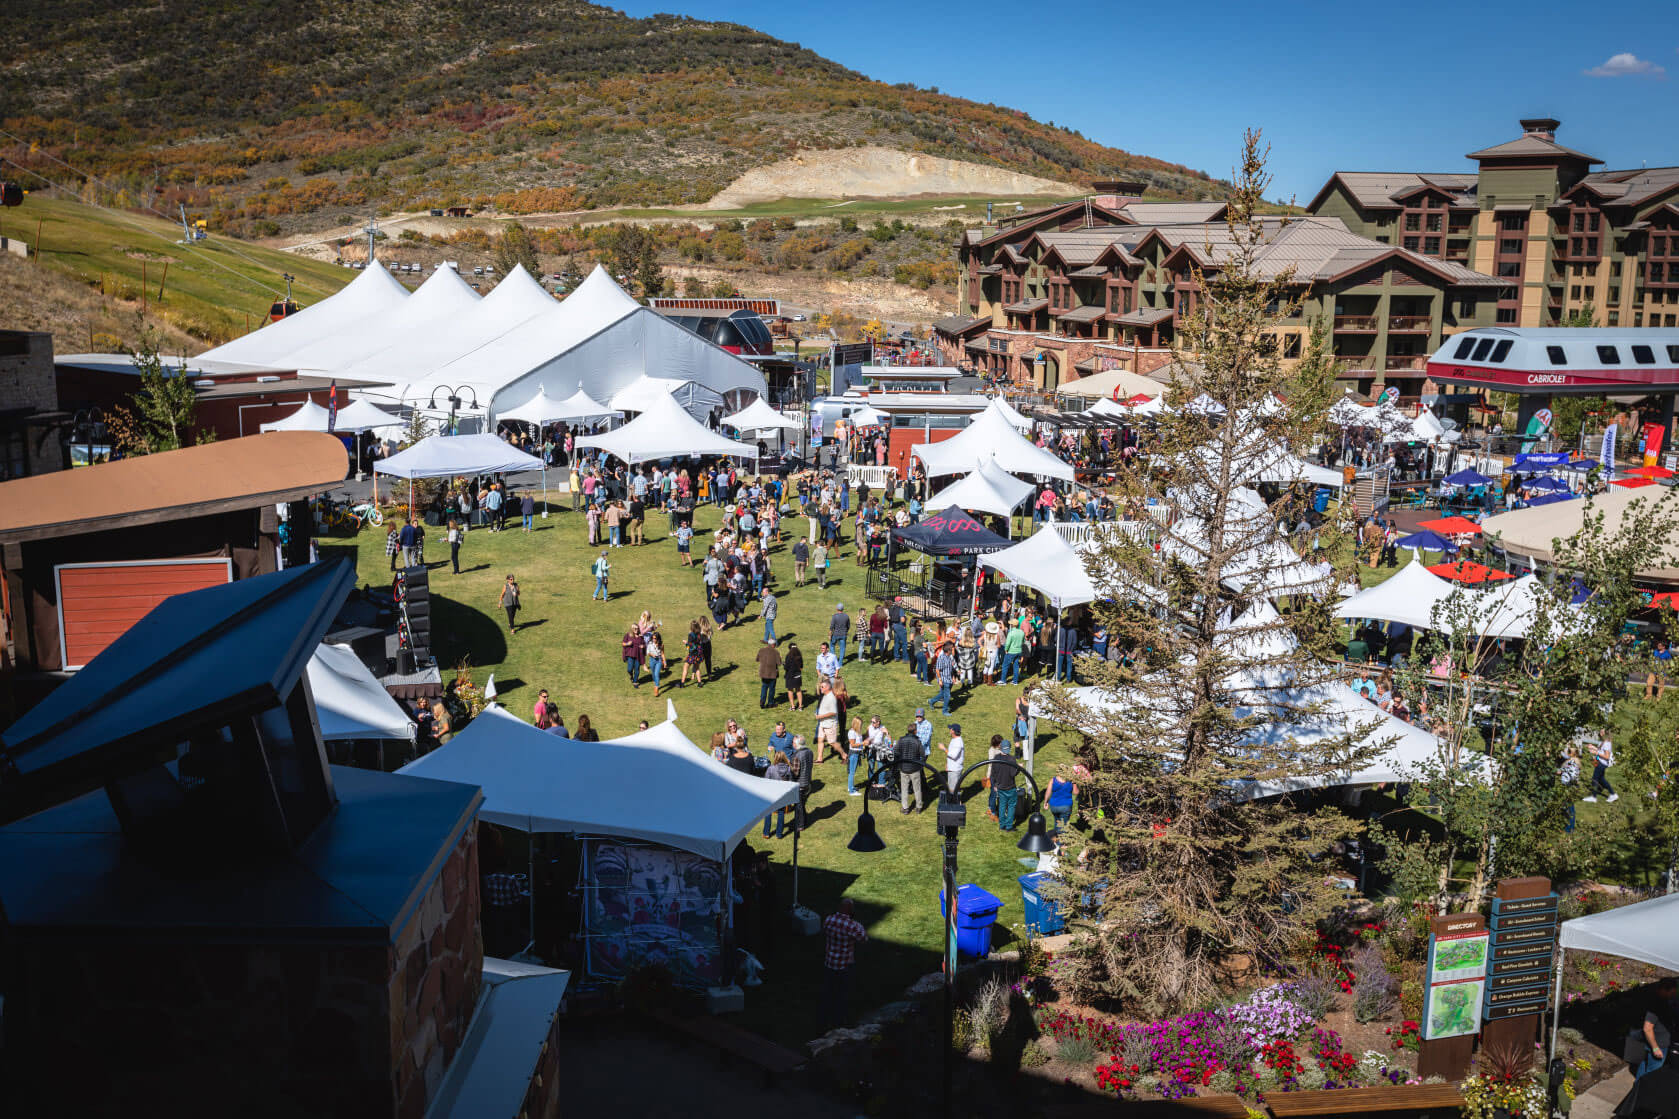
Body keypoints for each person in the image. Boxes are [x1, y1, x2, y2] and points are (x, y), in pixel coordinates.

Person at [820, 899, 868, 1027]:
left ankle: (824, 1018)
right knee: (842, 994)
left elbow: (825, 930)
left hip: (829, 962)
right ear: (850, 910)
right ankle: (839, 1021)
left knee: (828, 991)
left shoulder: (828, 920)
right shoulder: (853, 926)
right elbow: (863, 938)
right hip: (844, 965)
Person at [1632, 977, 1676, 1079]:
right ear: (1664, 990)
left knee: (1643, 1065)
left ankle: (1638, 1088)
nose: (1673, 996)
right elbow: (1647, 1028)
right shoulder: (1656, 1005)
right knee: (1652, 1075)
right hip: (1658, 1046)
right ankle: (1644, 1092)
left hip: (1654, 1043)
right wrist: (1655, 1048)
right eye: (1672, 993)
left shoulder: (1662, 1000)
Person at [762, 750, 794, 839]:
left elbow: (766, 781)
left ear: (776, 757)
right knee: (781, 813)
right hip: (782, 794)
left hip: (771, 794)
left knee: (768, 813)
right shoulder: (788, 769)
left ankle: (766, 833)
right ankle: (779, 834)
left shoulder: (771, 768)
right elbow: (790, 782)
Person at [895, 720, 925, 814]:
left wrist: (900, 761)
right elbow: (923, 755)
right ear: (915, 731)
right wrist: (919, 765)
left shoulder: (901, 740)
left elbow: (895, 752)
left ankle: (905, 808)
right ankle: (919, 807)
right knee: (917, 789)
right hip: (914, 769)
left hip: (903, 768)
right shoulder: (917, 741)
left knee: (904, 789)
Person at [991, 741, 1021, 831]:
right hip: (1010, 787)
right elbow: (1013, 774)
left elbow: (993, 773)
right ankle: (1009, 826)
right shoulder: (1011, 759)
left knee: (1002, 806)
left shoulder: (996, 758)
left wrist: (995, 785)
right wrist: (1019, 768)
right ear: (1009, 748)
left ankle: (1001, 825)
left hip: (1000, 787)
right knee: (1011, 806)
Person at [1585, 732, 1618, 803]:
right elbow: (1600, 751)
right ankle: (1613, 794)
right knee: (1601, 779)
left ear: (1605, 734)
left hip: (1602, 764)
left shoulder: (1607, 744)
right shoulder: (1604, 742)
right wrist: (1592, 747)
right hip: (1599, 762)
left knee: (1595, 779)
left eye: (1602, 731)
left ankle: (1593, 797)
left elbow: (1607, 756)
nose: (1600, 732)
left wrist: (1596, 753)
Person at [791, 734, 815, 831]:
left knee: (798, 806)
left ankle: (800, 825)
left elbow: (795, 773)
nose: (792, 743)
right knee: (802, 804)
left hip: (799, 784)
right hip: (808, 782)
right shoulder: (810, 751)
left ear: (796, 744)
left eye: (793, 742)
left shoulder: (797, 755)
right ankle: (805, 821)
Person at [814, 680, 840, 763]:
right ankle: (819, 758)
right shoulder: (825, 695)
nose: (820, 688)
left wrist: (820, 716)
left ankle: (844, 755)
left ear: (828, 687)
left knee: (832, 743)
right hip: (823, 723)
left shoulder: (831, 698)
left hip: (830, 724)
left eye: (822, 687)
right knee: (820, 740)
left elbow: (833, 712)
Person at [1046, 765, 1077, 833]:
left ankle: (1055, 839)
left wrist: (1046, 802)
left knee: (1057, 822)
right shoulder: (1071, 781)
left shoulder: (1053, 780)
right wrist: (1075, 782)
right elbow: (1075, 792)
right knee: (1063, 826)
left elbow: (1048, 792)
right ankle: (1060, 842)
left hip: (1054, 806)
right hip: (1065, 807)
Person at [845, 716, 867, 797]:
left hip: (857, 753)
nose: (861, 726)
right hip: (854, 754)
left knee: (852, 772)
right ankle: (851, 791)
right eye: (860, 724)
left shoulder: (857, 731)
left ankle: (850, 787)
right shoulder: (852, 732)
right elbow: (853, 744)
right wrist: (863, 743)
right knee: (852, 773)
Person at [756, 638, 781, 709]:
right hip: (772, 673)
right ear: (773, 645)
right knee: (771, 688)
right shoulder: (776, 652)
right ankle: (770, 703)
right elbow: (779, 663)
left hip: (763, 673)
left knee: (764, 687)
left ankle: (762, 701)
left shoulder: (761, 650)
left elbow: (757, 659)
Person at [943, 723, 966, 796]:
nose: (949, 730)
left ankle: (955, 804)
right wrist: (947, 764)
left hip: (955, 769)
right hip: (952, 767)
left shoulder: (958, 742)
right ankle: (957, 803)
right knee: (953, 788)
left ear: (953, 731)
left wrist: (943, 748)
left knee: (953, 790)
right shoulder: (954, 739)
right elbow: (951, 753)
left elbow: (953, 755)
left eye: (950, 729)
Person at [681, 620, 705, 689]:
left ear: (691, 627)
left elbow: (690, 646)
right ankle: (699, 683)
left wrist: (686, 643)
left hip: (692, 654)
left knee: (685, 667)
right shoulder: (699, 634)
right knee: (697, 668)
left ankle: (682, 684)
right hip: (699, 654)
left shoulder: (690, 635)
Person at [933, 644, 955, 716]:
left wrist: (953, 677)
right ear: (948, 651)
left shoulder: (949, 657)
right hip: (943, 679)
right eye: (951, 650)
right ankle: (944, 711)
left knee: (942, 694)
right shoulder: (941, 658)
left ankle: (931, 701)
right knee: (947, 696)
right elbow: (937, 670)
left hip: (949, 679)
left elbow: (950, 668)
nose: (952, 651)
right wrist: (940, 680)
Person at [645, 628, 667, 699]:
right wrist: (652, 655)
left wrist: (664, 661)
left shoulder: (661, 645)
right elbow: (648, 652)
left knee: (657, 674)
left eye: (655, 638)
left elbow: (662, 654)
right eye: (653, 638)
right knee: (653, 674)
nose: (654, 639)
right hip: (652, 660)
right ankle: (655, 682)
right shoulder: (650, 643)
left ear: (658, 638)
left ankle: (656, 689)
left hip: (659, 660)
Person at [784, 642, 805, 712]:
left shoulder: (788, 656)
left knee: (790, 690)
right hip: (797, 675)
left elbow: (786, 667)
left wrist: (784, 665)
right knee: (798, 690)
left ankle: (793, 707)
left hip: (790, 676)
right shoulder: (799, 656)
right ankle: (800, 706)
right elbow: (801, 666)